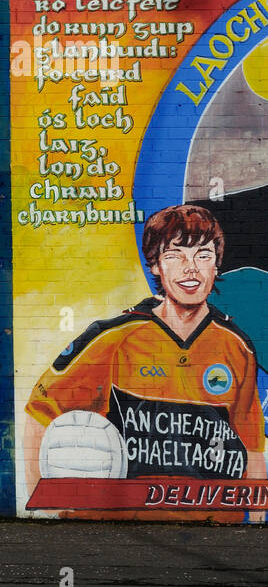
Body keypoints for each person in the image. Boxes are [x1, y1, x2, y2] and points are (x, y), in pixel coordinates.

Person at [25, 204, 266, 520]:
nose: (190, 268)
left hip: (210, 532)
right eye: (175, 255)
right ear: (155, 266)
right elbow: (40, 414)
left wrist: (255, 522)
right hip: (122, 533)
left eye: (202, 255)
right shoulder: (112, 338)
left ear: (216, 264)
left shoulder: (237, 347)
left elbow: (251, 452)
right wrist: (44, 508)